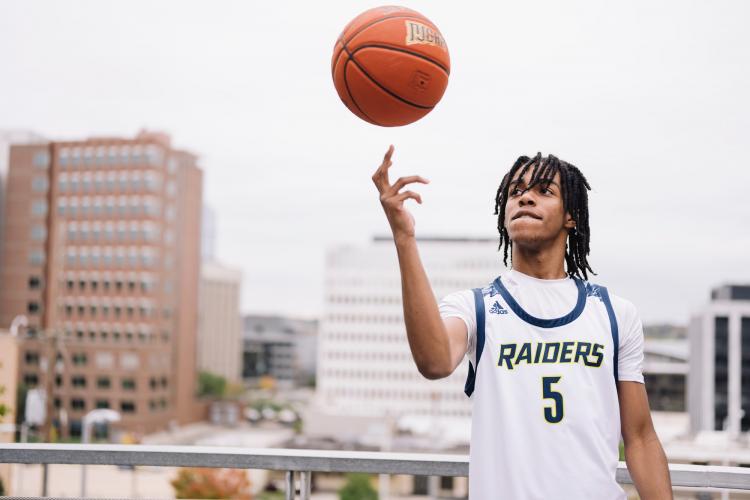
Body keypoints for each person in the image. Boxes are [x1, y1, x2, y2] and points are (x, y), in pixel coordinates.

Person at [372, 146, 672, 499]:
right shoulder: (476, 307)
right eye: (515, 192)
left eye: (544, 191)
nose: (525, 198)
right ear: (504, 215)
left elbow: (639, 437)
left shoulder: (614, 312)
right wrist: (404, 238)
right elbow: (434, 362)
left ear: (571, 216)